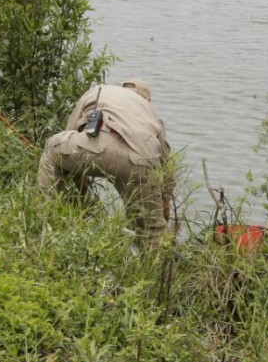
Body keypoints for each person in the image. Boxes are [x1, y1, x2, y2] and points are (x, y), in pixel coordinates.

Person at [38, 79, 173, 246]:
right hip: (140, 164)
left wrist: (81, 176)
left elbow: (70, 130)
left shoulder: (101, 91)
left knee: (53, 149)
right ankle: (155, 269)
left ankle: (44, 223)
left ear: (122, 89)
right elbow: (165, 166)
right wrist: (163, 203)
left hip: (95, 148)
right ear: (148, 100)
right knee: (151, 232)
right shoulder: (152, 113)